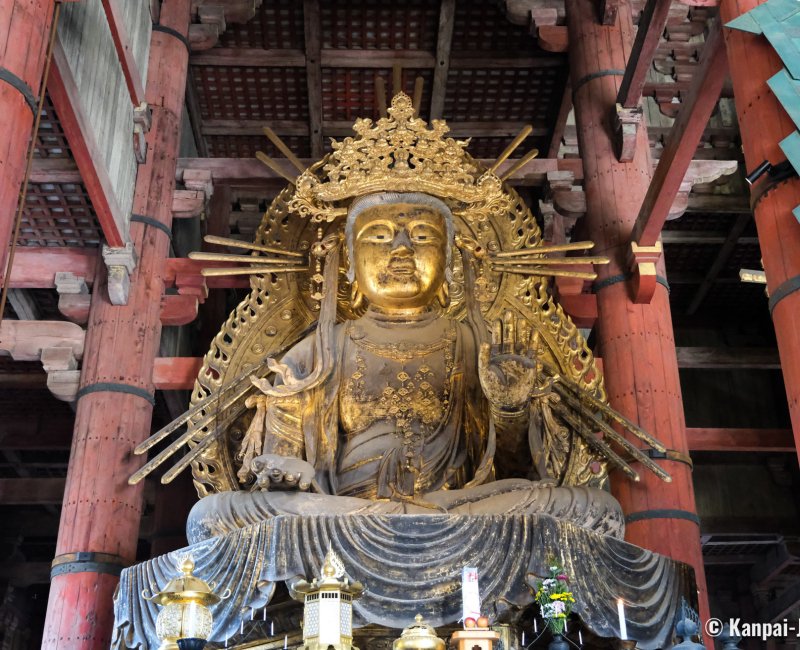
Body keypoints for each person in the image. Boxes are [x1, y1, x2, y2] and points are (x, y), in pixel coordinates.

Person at [186, 193, 624, 544]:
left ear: (450, 266)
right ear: (350, 267)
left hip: (460, 512)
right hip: (344, 518)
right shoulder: (319, 350)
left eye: (421, 236)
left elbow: (519, 473)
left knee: (590, 509)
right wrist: (285, 472)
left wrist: (511, 411)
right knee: (215, 516)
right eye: (378, 236)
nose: (400, 249)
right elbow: (274, 465)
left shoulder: (478, 345)